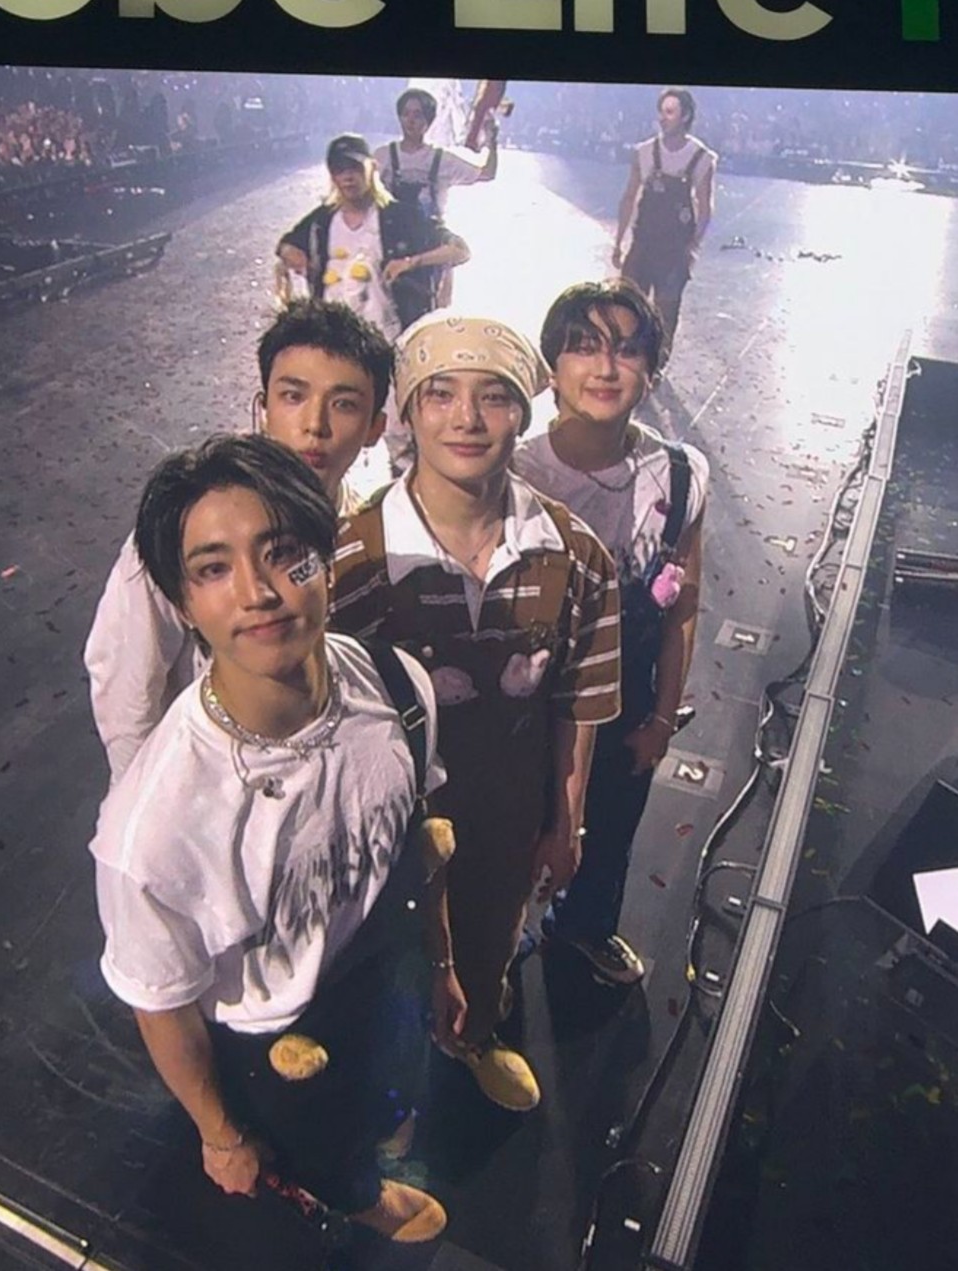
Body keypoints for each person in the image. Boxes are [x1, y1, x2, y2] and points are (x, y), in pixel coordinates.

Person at [90, 433, 448, 1243]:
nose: (258, 592)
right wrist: (220, 1133)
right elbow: (163, 1003)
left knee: (393, 1085)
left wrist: (444, 966)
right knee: (319, 1159)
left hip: (386, 971)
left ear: (327, 562)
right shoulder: (153, 828)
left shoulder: (399, 686)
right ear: (182, 604)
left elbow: (414, 840)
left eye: (285, 554)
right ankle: (350, 1195)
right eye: (214, 568)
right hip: (278, 1046)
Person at [330, 314, 621, 1111]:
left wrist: (566, 823)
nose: (466, 418)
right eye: (440, 395)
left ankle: (472, 1036)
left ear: (524, 413)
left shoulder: (575, 554)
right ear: (408, 412)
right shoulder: (352, 561)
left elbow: (580, 700)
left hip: (505, 810)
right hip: (386, 827)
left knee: (490, 933)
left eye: (493, 396)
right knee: (385, 961)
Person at [84, 297, 393, 785]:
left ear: (376, 427)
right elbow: (127, 687)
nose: (314, 425)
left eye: (344, 404)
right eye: (293, 396)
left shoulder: (363, 525)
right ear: (263, 408)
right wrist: (148, 794)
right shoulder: (195, 530)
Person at [513, 279, 708, 985]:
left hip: (627, 694)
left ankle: (585, 928)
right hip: (530, 701)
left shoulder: (680, 474)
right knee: (515, 831)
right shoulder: (513, 472)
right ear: (552, 367)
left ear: (652, 369)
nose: (605, 367)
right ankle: (497, 948)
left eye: (626, 350)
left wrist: (661, 718)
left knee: (613, 826)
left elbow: (684, 604)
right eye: (583, 347)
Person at [275, 132, 470, 343]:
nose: (348, 177)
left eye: (355, 167)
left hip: (390, 341)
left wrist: (411, 262)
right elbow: (285, 246)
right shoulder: (321, 221)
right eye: (339, 169)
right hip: (333, 342)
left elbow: (460, 250)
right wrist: (291, 253)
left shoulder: (402, 217)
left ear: (373, 168)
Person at [612, 88, 716, 357]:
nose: (662, 117)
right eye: (661, 111)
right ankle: (626, 360)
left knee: (666, 316)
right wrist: (618, 242)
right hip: (643, 244)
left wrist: (693, 246)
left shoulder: (702, 158)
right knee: (626, 307)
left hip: (674, 251)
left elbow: (705, 208)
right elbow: (629, 197)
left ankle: (657, 365)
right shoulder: (644, 152)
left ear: (686, 116)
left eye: (670, 112)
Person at [373, 87, 498, 223]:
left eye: (417, 115)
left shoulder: (443, 160)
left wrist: (492, 141)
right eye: (405, 114)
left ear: (428, 120)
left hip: (431, 233)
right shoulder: (383, 155)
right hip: (391, 231)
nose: (410, 120)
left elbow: (487, 174)